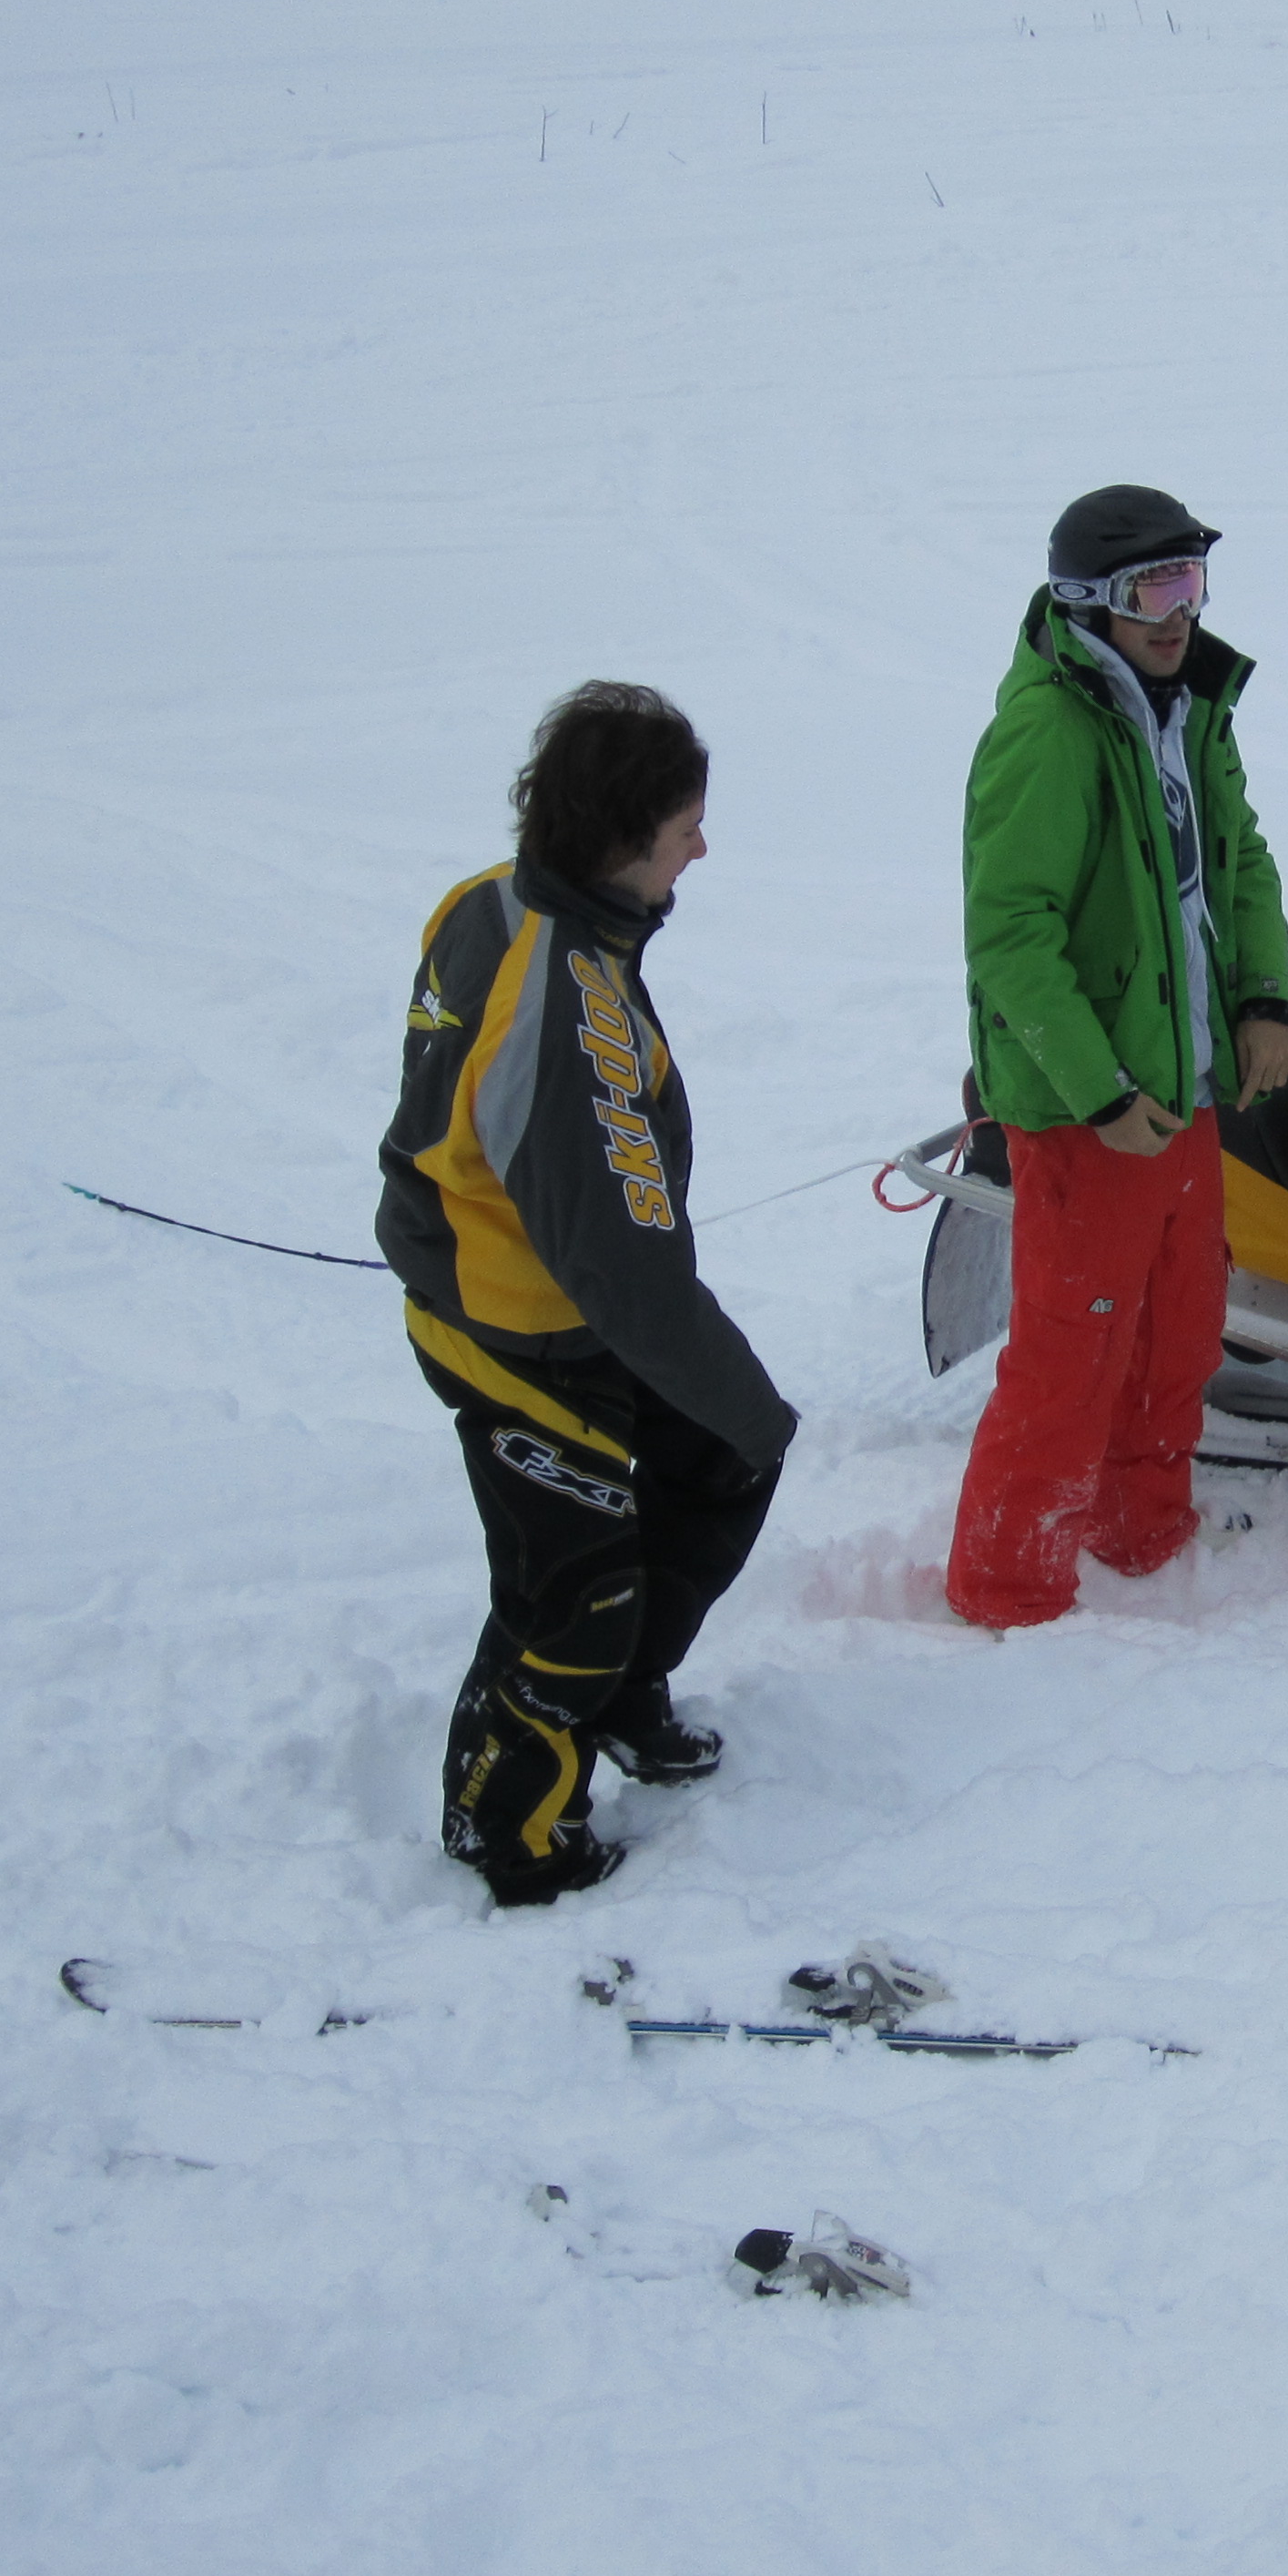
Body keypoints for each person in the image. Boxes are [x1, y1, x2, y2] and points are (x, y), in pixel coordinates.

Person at [376, 681, 796, 1905]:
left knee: (717, 1455)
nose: (701, 848)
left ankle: (620, 1700)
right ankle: (509, 1832)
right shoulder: (563, 998)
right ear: (623, 839)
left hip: (530, 1279)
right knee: (576, 1589)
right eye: (685, 828)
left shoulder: (503, 903)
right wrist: (722, 1381)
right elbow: (621, 1263)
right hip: (523, 1330)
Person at [948, 485, 1288, 1628]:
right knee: (1071, 1354)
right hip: (1086, 1110)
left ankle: (1142, 1534)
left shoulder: (1190, 708)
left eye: (1191, 585)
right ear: (1089, 601)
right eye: (1155, 588)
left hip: (1183, 1090)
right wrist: (1096, 1091)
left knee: (1178, 1331)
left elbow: (1238, 860)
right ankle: (1009, 1589)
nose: (1178, 613)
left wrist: (1263, 1002)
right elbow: (1010, 935)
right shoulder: (1049, 731)